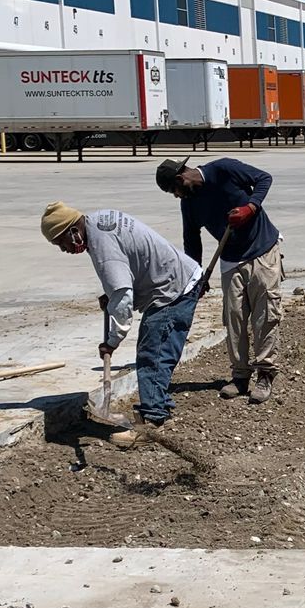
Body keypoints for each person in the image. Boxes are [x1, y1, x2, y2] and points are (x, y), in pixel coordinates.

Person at [40, 201, 201, 449]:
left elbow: (123, 296)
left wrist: (111, 342)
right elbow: (127, 266)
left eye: (62, 242)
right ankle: (157, 410)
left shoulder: (102, 247)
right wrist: (112, 294)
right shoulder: (98, 223)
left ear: (73, 230)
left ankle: (151, 422)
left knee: (153, 354)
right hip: (176, 277)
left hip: (172, 288)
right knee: (156, 353)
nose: (64, 249)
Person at [156, 157, 283, 402]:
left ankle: (266, 374)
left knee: (265, 315)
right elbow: (192, 242)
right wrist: (196, 277)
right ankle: (240, 377)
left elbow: (264, 179)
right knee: (234, 318)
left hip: (263, 249)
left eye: (175, 191)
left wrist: (251, 207)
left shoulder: (223, 169)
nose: (176, 196)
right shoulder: (189, 205)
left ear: (181, 179)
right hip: (230, 259)